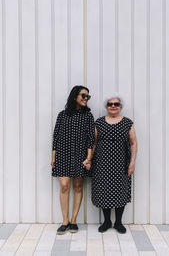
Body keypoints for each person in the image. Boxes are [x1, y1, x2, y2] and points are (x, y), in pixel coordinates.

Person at [91, 93, 137, 234]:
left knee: (120, 192)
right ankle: (106, 222)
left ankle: (118, 222)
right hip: (101, 164)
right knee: (104, 192)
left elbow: (133, 143)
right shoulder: (98, 122)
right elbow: (93, 143)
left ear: (120, 106)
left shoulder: (127, 123)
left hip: (121, 164)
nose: (113, 106)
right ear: (106, 106)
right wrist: (89, 159)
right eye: (110, 104)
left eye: (116, 104)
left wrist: (132, 163)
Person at [51, 85, 95, 234]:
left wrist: (88, 158)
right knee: (64, 186)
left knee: (77, 187)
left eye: (88, 97)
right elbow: (55, 137)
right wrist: (53, 158)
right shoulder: (62, 115)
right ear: (74, 96)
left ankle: (74, 220)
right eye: (83, 95)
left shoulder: (88, 116)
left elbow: (90, 139)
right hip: (62, 155)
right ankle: (65, 221)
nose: (86, 99)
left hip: (80, 156)